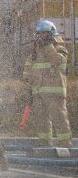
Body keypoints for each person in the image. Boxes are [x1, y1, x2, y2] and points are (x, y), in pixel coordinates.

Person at [22, 19, 72, 147]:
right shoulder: (36, 49)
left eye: (43, 33)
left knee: (59, 117)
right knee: (41, 118)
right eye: (38, 34)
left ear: (50, 33)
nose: (40, 36)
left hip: (55, 89)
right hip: (38, 90)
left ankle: (65, 142)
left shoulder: (59, 47)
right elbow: (30, 66)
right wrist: (28, 81)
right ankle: (44, 142)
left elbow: (57, 61)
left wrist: (48, 46)